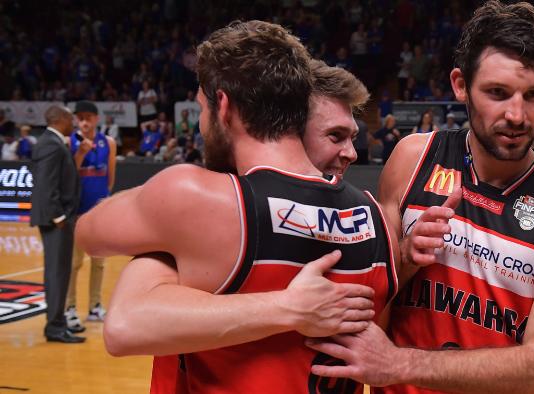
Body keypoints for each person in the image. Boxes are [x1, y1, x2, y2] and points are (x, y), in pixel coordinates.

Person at [76, 21, 396, 393]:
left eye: (201, 108)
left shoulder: (202, 198)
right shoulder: (378, 219)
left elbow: (88, 233)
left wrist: (167, 244)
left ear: (223, 106)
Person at [306, 2, 534, 392]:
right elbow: (370, 305)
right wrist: (404, 257)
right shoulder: (413, 158)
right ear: (460, 84)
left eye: (533, 95)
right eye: (498, 93)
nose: (518, 115)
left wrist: (399, 364)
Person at [29, 105, 85, 344]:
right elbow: (45, 184)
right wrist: (59, 217)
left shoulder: (54, 142)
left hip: (58, 219)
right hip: (55, 221)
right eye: (70, 118)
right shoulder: (50, 144)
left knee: (60, 272)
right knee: (56, 273)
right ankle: (54, 327)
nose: (73, 121)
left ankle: (59, 323)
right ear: (60, 119)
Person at [64, 101, 117, 332]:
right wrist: (80, 154)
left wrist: (105, 204)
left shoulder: (109, 142)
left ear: (96, 119)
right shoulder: (70, 142)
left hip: (98, 212)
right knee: (74, 263)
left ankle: (95, 306)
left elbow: (110, 177)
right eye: (80, 118)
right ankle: (69, 308)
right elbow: (67, 175)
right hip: (77, 210)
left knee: (99, 263)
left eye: (88, 117)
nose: (84, 122)